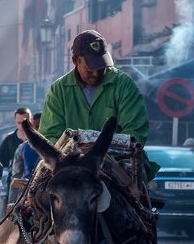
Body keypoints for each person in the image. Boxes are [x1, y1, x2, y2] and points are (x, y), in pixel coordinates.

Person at [38, 29, 156, 179]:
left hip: (117, 160)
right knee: (41, 190)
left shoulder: (124, 84)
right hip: (69, 162)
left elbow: (136, 131)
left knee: (135, 189)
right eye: (91, 67)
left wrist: (104, 155)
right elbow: (50, 134)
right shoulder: (58, 89)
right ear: (75, 61)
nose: (97, 72)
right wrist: (71, 157)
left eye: (101, 66)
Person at [0, 107, 32, 204]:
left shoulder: (37, 140)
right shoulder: (9, 140)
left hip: (34, 183)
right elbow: (0, 162)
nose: (22, 126)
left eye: (24, 122)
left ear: (31, 120)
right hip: (15, 184)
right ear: (15, 122)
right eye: (19, 123)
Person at [7, 112, 41, 204]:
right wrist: (12, 203)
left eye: (39, 127)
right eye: (35, 127)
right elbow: (16, 177)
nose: (37, 130)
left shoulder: (57, 147)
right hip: (27, 198)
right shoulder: (23, 148)